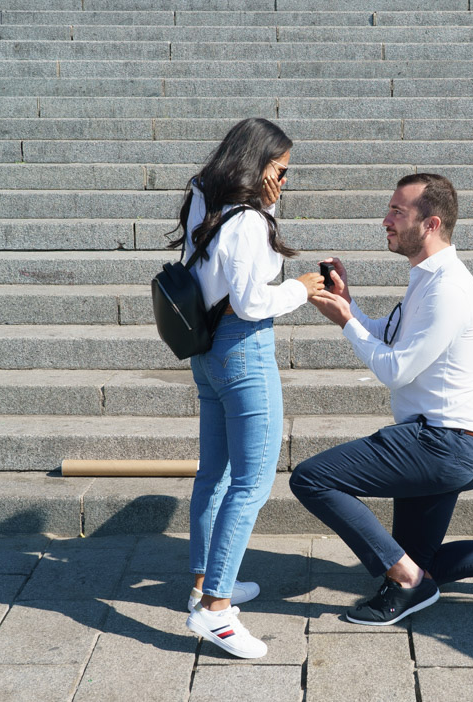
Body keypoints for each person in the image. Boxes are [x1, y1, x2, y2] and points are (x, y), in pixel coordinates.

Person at [290, 173, 473, 626]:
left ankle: (406, 581)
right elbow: (391, 336)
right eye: (389, 209)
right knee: (415, 565)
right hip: (441, 440)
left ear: (430, 224)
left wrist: (347, 322)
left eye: (397, 212)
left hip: (440, 443)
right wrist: (349, 306)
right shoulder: (427, 277)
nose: (385, 220)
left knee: (312, 480)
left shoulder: (448, 288)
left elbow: (394, 368)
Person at [169, 118, 324, 657]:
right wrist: (301, 290)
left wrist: (268, 206)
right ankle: (216, 611)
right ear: (256, 162)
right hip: (243, 349)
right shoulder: (249, 222)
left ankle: (204, 584)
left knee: (215, 472)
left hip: (206, 348)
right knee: (253, 481)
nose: (283, 182)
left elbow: (223, 277)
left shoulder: (201, 199)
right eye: (279, 171)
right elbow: (253, 299)